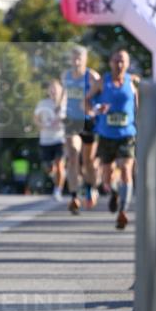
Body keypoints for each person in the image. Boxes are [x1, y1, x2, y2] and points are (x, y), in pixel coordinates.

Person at [86, 49, 138, 230]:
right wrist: (94, 110)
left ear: (128, 63)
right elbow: (88, 99)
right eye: (116, 61)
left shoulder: (132, 82)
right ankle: (114, 192)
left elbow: (139, 104)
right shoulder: (103, 82)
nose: (120, 65)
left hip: (127, 134)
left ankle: (123, 211)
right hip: (107, 135)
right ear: (110, 63)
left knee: (125, 168)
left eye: (123, 61)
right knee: (107, 175)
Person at [62, 45, 101, 214]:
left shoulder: (92, 77)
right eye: (74, 57)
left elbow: (102, 98)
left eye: (80, 58)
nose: (76, 61)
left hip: (88, 122)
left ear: (85, 59)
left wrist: (93, 108)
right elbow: (62, 98)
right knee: (72, 155)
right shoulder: (65, 76)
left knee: (88, 162)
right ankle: (73, 197)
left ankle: (91, 187)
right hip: (71, 120)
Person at [34, 79, 66, 200]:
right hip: (46, 140)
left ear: (61, 90)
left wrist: (62, 121)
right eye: (51, 88)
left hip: (60, 139)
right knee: (48, 168)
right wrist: (41, 125)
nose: (53, 91)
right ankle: (55, 176)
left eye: (56, 88)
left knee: (59, 164)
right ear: (48, 91)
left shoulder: (65, 105)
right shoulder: (43, 103)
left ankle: (58, 190)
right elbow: (36, 118)